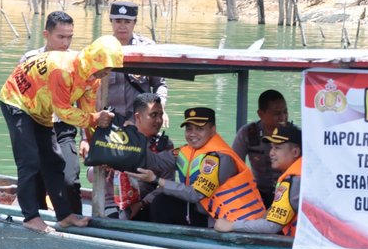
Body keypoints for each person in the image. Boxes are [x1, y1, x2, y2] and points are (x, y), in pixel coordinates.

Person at [0, 35, 123, 233]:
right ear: (95, 60)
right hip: (17, 101)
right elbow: (64, 111)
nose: (106, 73)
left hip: (41, 107)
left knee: (54, 161)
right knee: (29, 160)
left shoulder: (93, 79)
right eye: (105, 68)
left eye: (109, 70)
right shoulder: (64, 70)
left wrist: (95, 145)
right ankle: (31, 217)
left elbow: (88, 111)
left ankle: (64, 215)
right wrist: (94, 118)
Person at [81, 0, 169, 217]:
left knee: (149, 166)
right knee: (95, 171)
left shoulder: (147, 49)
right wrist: (83, 136)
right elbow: (84, 94)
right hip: (108, 125)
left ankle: (141, 206)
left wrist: (159, 110)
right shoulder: (98, 49)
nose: (122, 26)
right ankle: (109, 209)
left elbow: (160, 85)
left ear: (135, 23)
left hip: (140, 124)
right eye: (118, 20)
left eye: (127, 21)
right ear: (110, 21)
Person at [128, 107, 265, 227]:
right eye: (189, 128)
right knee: (157, 204)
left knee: (162, 204)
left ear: (213, 130)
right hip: (209, 214)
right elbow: (154, 161)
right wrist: (132, 137)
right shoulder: (185, 151)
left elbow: (195, 194)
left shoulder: (219, 158)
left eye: (200, 129)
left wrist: (156, 180)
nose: (192, 134)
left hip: (234, 221)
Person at [20, 11, 82, 214]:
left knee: (69, 180)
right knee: (36, 181)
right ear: (46, 35)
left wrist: (87, 138)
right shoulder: (30, 59)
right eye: (60, 37)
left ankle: (77, 223)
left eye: (69, 37)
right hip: (35, 127)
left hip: (63, 128)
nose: (65, 43)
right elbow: (18, 97)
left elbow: (85, 101)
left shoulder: (77, 62)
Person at [215, 124, 302, 236]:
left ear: (295, 152)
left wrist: (231, 226)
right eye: (271, 147)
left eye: (277, 148)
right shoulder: (305, 172)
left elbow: (271, 226)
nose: (271, 153)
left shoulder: (294, 180)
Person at [119, 92, 175, 221]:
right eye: (153, 115)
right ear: (138, 117)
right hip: (117, 202)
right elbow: (92, 175)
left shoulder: (165, 144)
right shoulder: (119, 138)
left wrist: (142, 203)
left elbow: (167, 183)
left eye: (161, 115)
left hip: (146, 203)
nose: (159, 120)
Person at [232, 89, 288, 208]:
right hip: (257, 193)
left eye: (285, 112)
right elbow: (235, 165)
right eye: (277, 113)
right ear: (261, 114)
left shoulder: (294, 135)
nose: (283, 117)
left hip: (287, 193)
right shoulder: (248, 133)